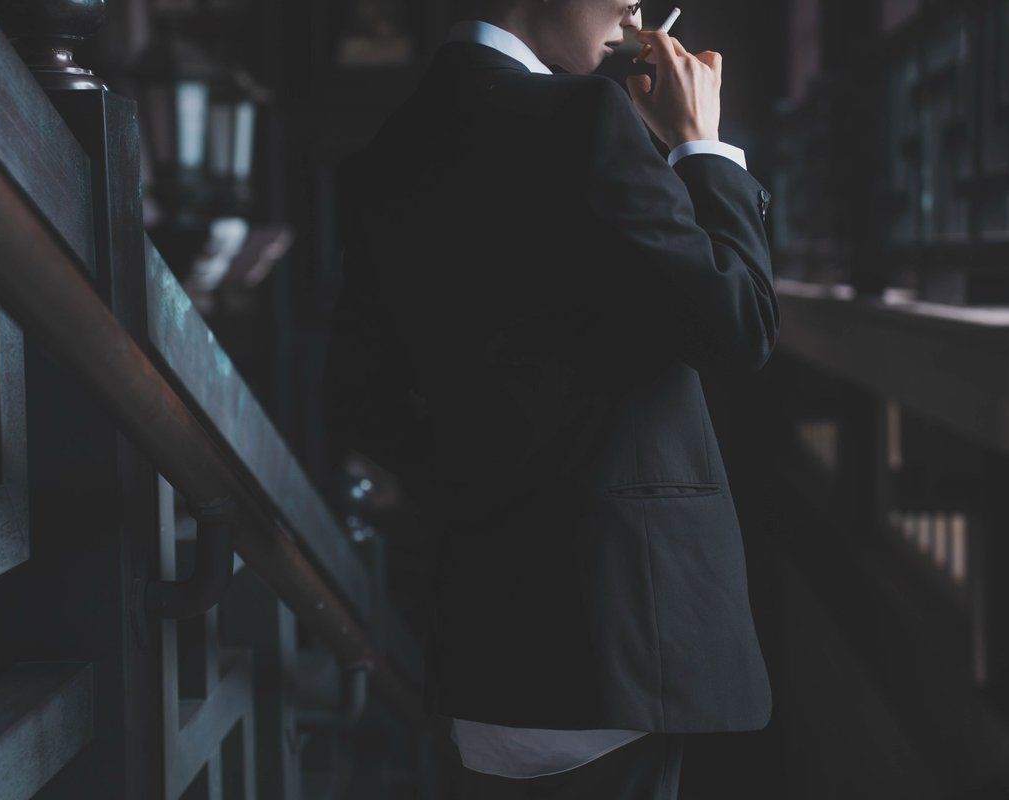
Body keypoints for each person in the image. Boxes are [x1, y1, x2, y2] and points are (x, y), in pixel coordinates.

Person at [322, 0, 780, 796]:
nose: (637, 7)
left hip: (486, 639)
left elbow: (359, 396)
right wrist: (701, 148)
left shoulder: (391, 150)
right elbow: (740, 328)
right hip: (619, 638)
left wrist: (488, 486)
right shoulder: (586, 116)